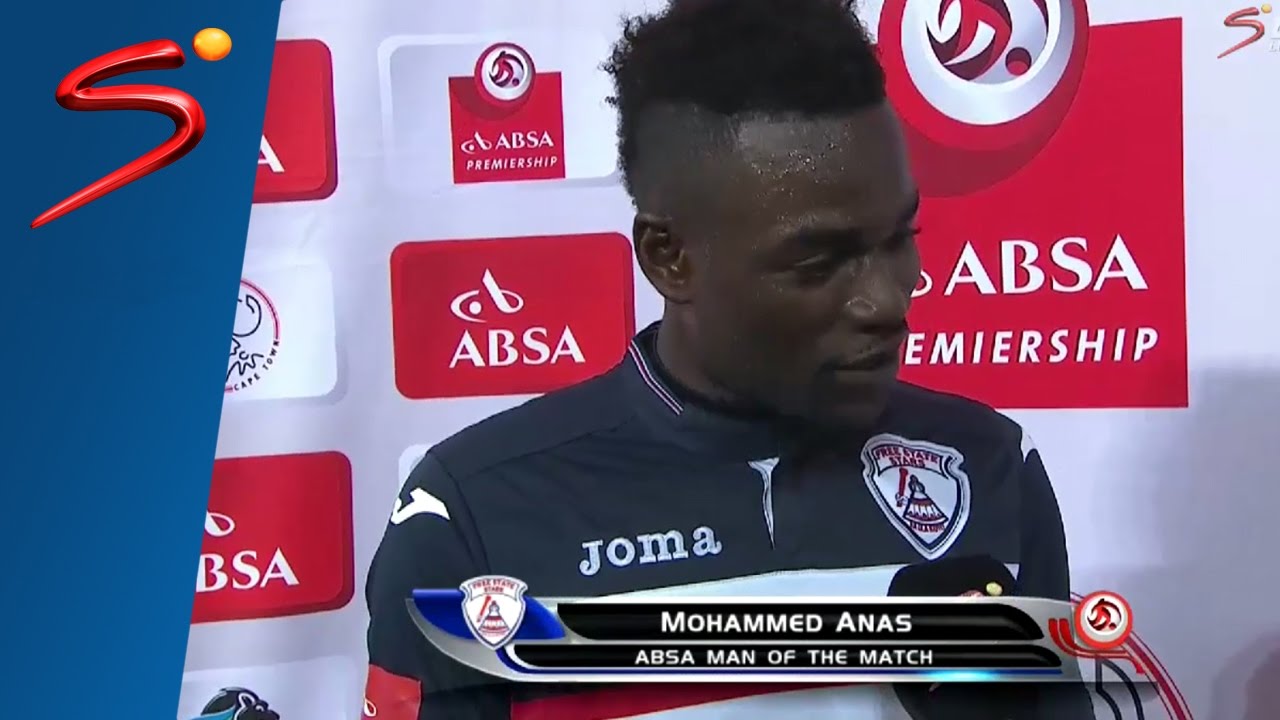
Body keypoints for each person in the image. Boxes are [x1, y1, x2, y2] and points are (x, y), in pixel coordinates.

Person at [364, 0, 1095, 717]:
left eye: (900, 238)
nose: (887, 299)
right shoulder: (471, 517)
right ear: (670, 258)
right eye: (819, 260)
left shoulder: (990, 465)